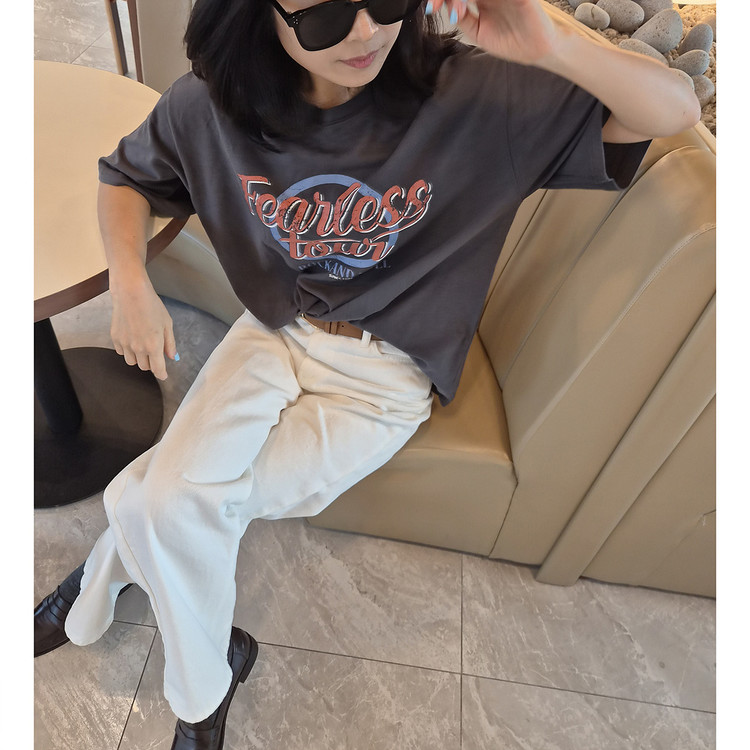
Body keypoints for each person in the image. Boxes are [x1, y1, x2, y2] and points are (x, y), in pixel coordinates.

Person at [34, 0, 700, 748]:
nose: (365, 32)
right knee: (173, 504)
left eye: (385, 0)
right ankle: (201, 667)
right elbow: (126, 176)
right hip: (274, 330)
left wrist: (552, 44)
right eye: (323, 15)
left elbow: (673, 110)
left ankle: (161, 652)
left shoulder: (473, 96)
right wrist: (129, 283)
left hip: (385, 374)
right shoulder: (214, 105)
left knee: (165, 502)